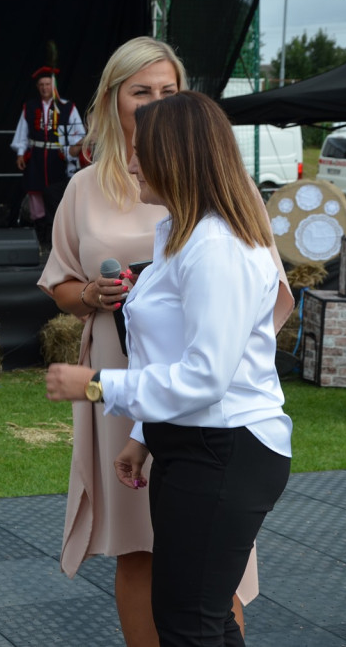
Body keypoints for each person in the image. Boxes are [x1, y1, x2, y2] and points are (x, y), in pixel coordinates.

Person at [39, 37, 281, 646]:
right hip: (175, 427)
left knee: (192, 616)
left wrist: (95, 384)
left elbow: (206, 373)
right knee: (190, 612)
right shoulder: (179, 229)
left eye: (145, 152)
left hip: (216, 435)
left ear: (176, 153)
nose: (133, 162)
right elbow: (174, 352)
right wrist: (145, 435)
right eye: (139, 93)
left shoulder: (214, 246)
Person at [10, 65, 85, 237]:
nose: (45, 88)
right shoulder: (30, 106)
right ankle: (40, 227)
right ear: (37, 87)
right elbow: (23, 131)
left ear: (54, 86)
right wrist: (21, 152)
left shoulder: (67, 107)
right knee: (35, 190)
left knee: (55, 191)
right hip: (35, 155)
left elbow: (77, 133)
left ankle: (56, 229)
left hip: (57, 157)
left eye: (48, 84)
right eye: (41, 84)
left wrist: (72, 151)